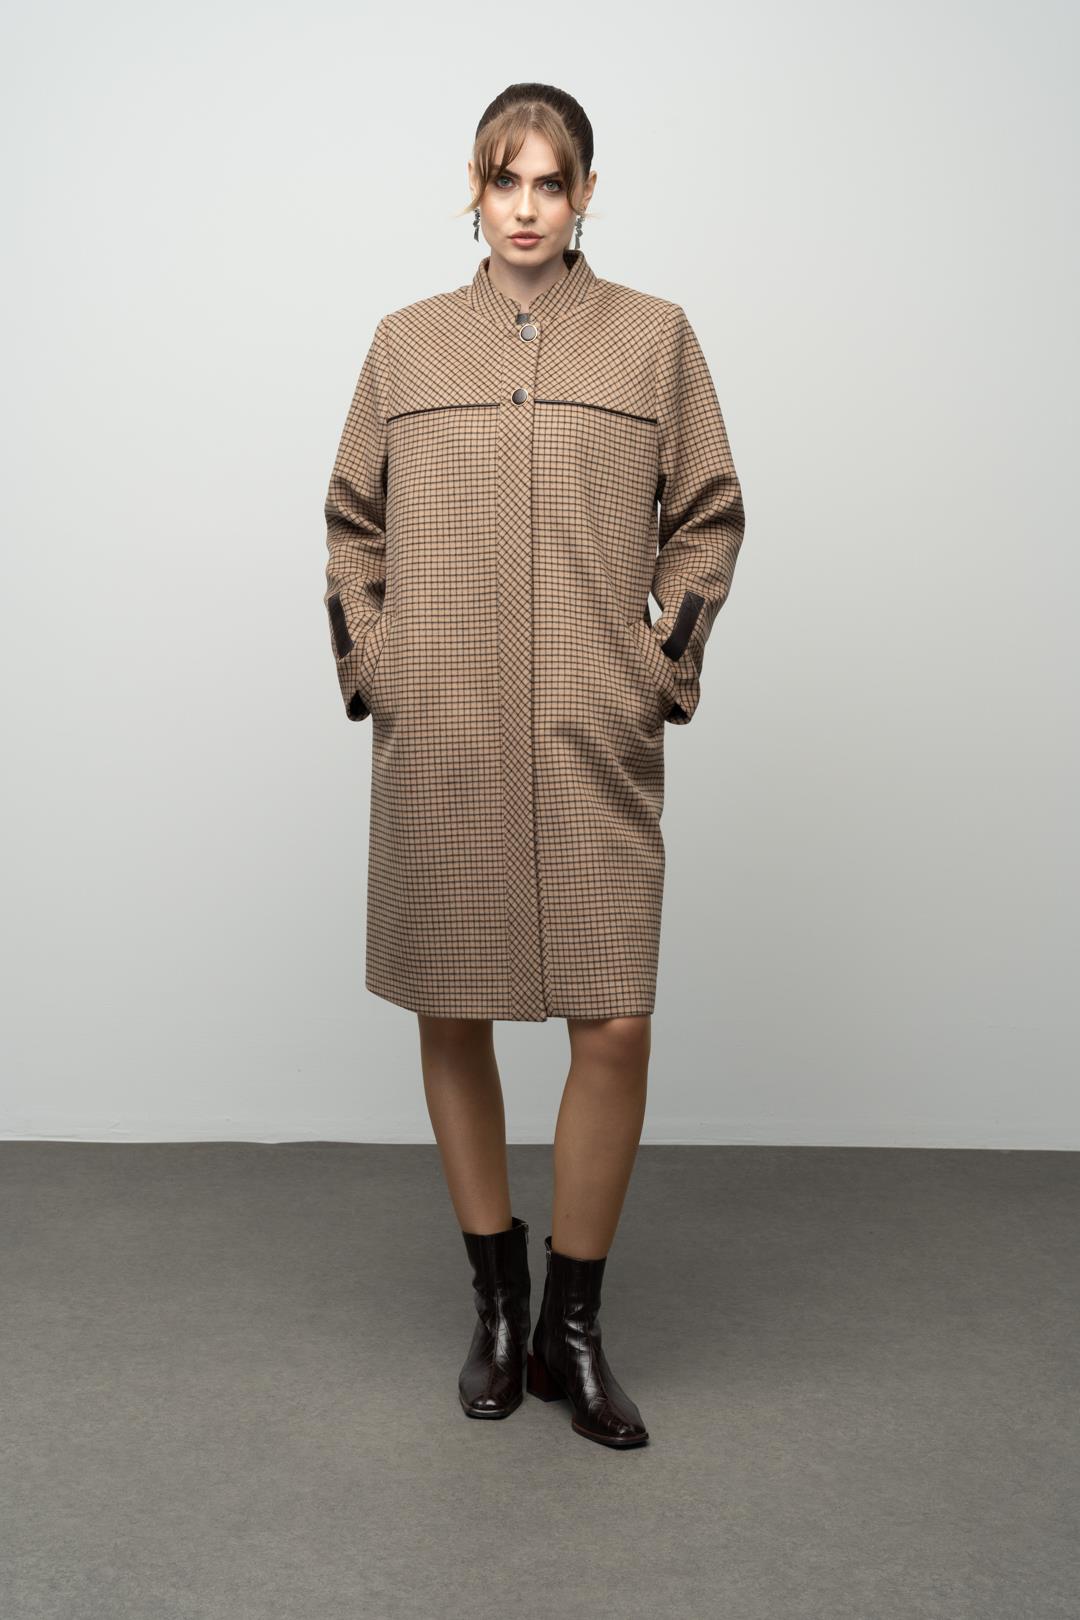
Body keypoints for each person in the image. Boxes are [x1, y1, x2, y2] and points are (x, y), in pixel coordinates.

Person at [322, 83, 746, 1449]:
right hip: (443, 730)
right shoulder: (406, 345)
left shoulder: (652, 340)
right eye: (504, 180)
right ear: (474, 186)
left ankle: (574, 1323)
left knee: (612, 1017)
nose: (524, 207)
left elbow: (710, 516)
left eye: (549, 183)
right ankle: (497, 1308)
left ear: (585, 196)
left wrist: (656, 667)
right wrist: (380, 666)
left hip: (588, 732)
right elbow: (351, 526)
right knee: (451, 1007)